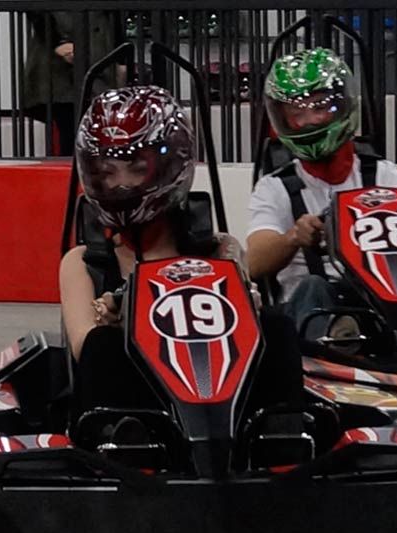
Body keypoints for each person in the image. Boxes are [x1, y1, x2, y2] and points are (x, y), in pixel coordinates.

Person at [60, 86, 306, 438]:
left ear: (169, 165)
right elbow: (84, 346)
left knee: (276, 325)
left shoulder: (219, 250)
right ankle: (121, 444)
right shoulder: (85, 262)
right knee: (102, 346)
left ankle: (282, 438)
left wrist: (247, 308)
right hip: (137, 408)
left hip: (223, 395)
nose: (119, 184)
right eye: (107, 171)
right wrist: (114, 317)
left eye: (135, 168)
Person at [247, 47, 397, 342]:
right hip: (317, 308)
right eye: (298, 113)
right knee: (313, 285)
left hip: (384, 300)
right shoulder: (275, 187)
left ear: (343, 106)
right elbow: (253, 263)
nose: (310, 121)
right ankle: (339, 338)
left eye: (319, 107)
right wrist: (294, 238)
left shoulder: (384, 175)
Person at [24, 11, 122, 156]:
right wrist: (57, 42)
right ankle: (73, 173)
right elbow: (36, 11)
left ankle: (80, 171)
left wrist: (120, 58)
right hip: (62, 64)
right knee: (72, 128)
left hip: (97, 55)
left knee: (95, 127)